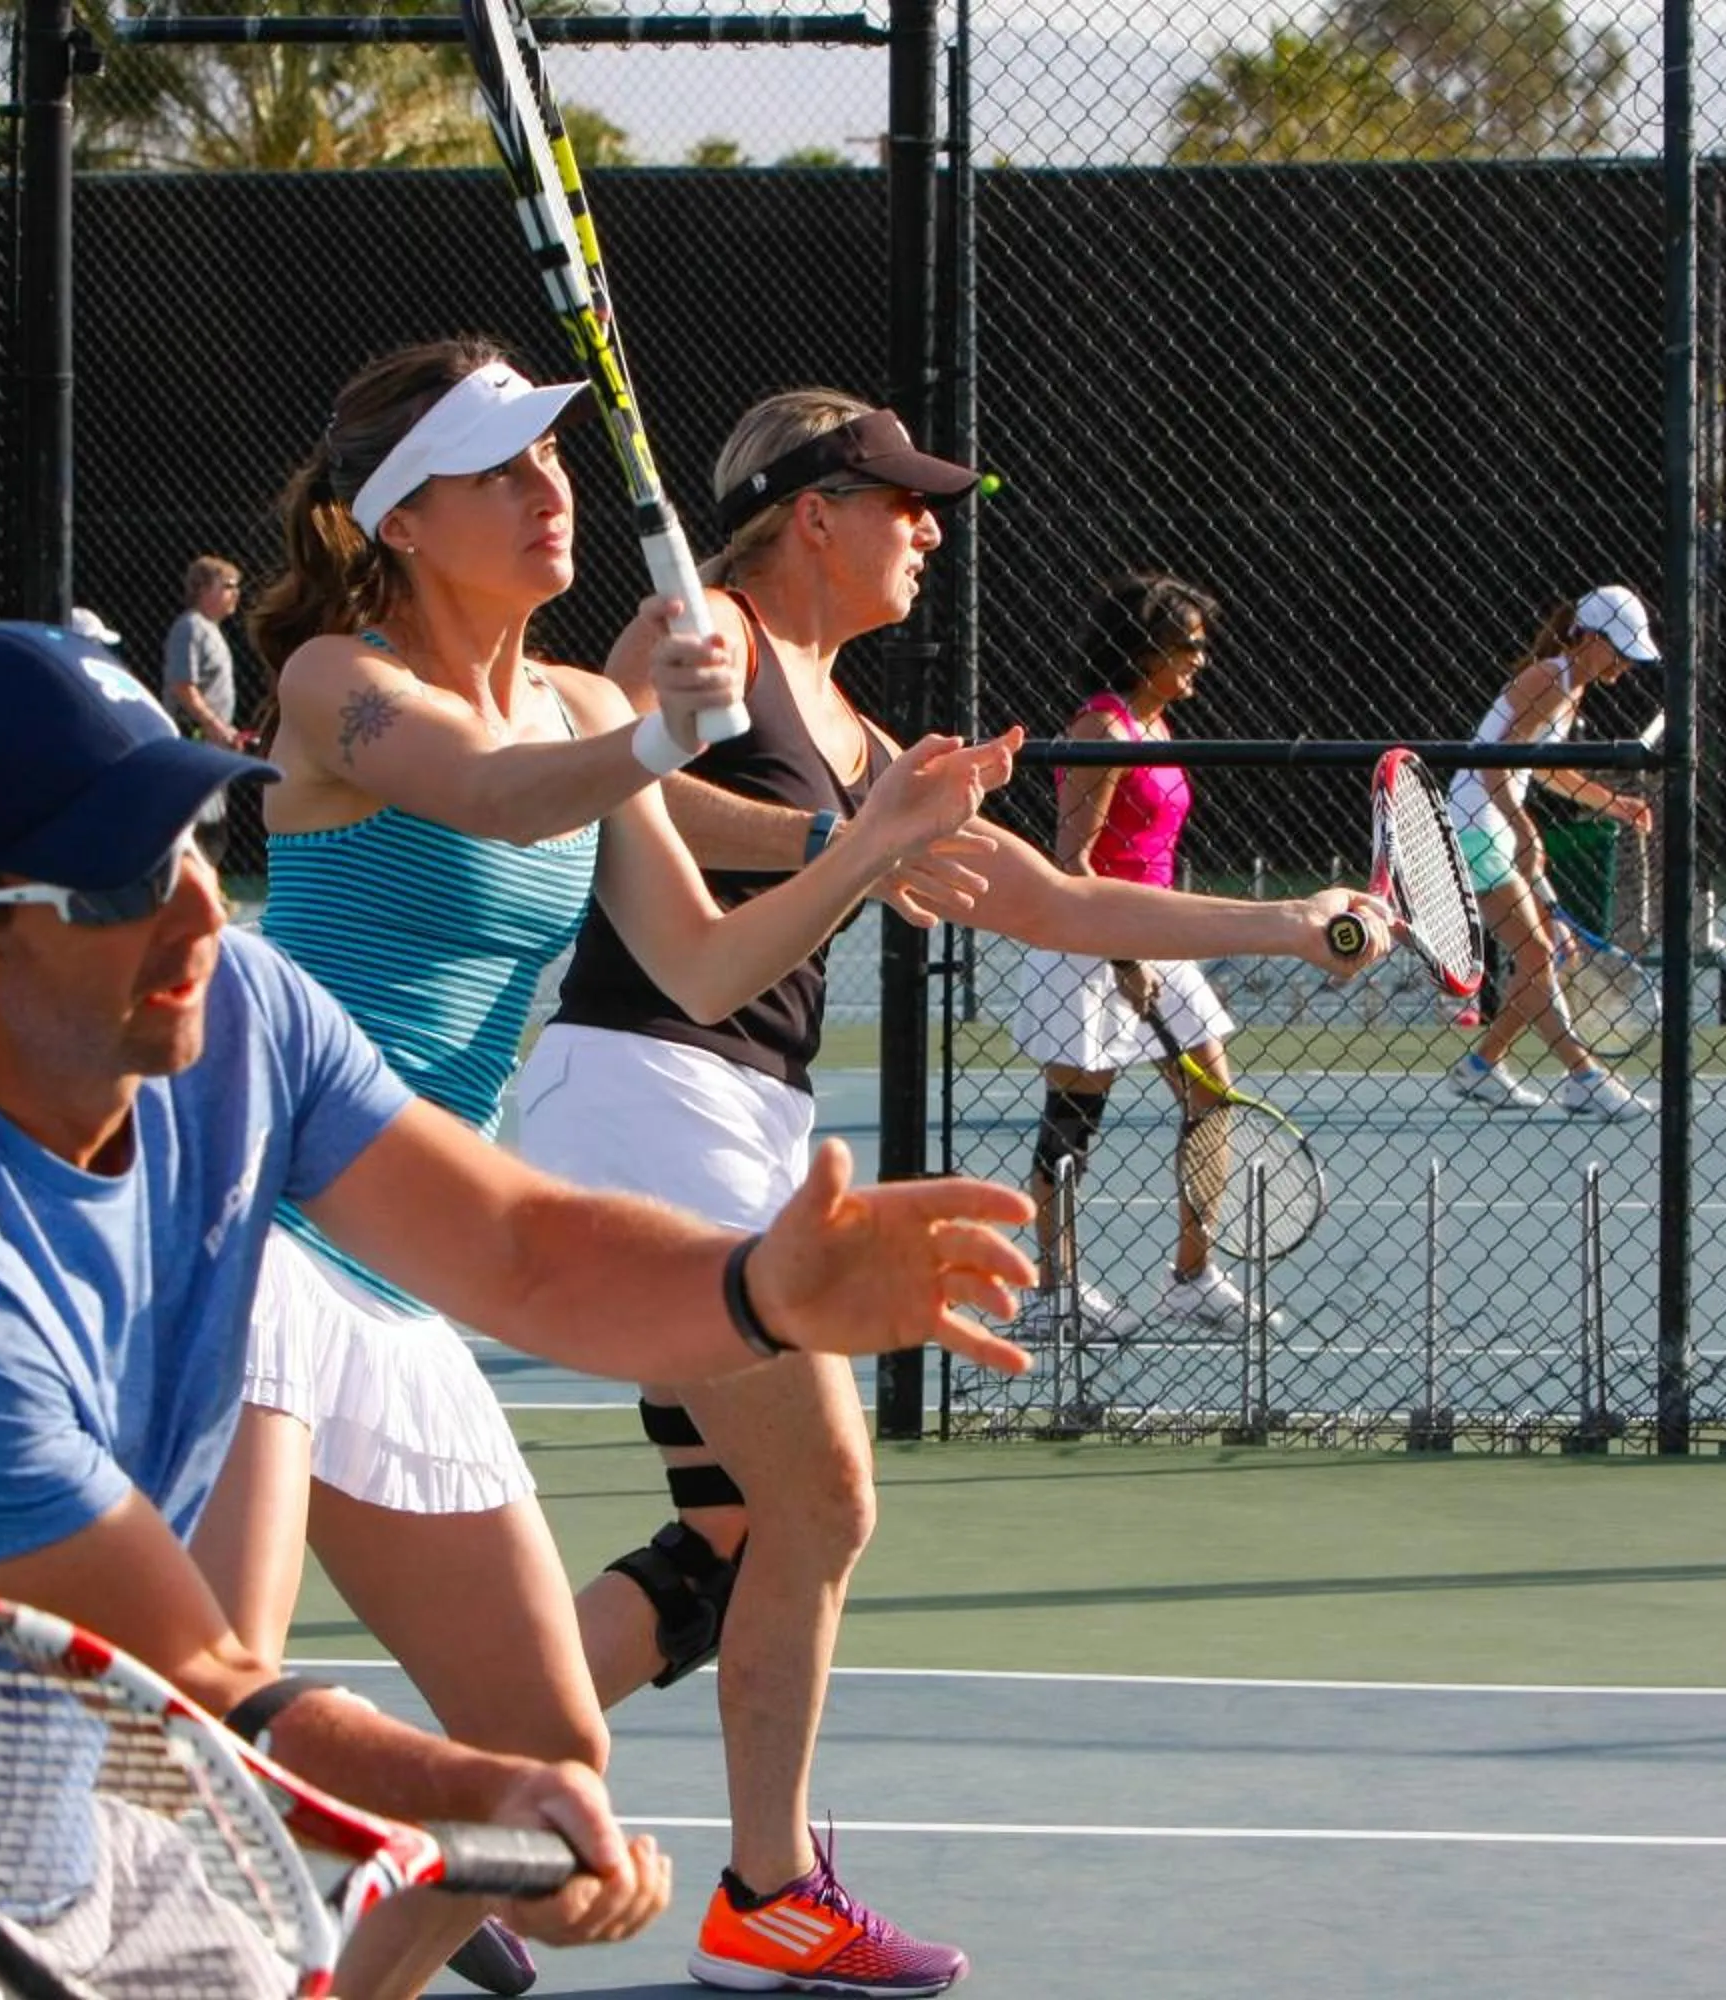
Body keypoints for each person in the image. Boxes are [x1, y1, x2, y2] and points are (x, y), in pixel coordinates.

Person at [0, 616, 1041, 2000]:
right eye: (112, 883)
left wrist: (762, 1288)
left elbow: (518, 1246)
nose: (195, 911)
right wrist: (483, 1797)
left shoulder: (243, 1016)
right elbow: (199, 1673)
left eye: (197, 840)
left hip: (66, 1791)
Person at [512, 389, 1396, 1995]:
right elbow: (618, 790)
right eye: (900, 500)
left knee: (732, 1537)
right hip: (652, 1090)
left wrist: (1285, 922)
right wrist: (828, 824)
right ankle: (768, 1896)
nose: (928, 527)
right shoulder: (698, 638)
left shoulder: (856, 734)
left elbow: (1054, 903)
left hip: (737, 1117)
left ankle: (480, 1819)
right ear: (812, 516)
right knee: (827, 1502)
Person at [185, 339, 1012, 2000]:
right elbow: (490, 797)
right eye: (497, 469)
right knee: (218, 1713)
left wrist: (863, 849)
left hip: (403, 1270)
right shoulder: (338, 685)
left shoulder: (576, 704)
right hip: (253, 1236)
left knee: (546, 1776)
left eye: (551, 457)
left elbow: (703, 963)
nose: (546, 488)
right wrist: (657, 733)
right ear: (401, 520)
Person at [1004, 571, 1262, 1335]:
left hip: (1157, 935)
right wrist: (1122, 957)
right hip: (1086, 942)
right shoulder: (1102, 732)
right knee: (1073, 1122)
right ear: (1144, 649)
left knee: (1212, 1096)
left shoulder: (1156, 727)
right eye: (1187, 645)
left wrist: (1149, 947)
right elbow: (1073, 860)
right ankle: (1054, 1293)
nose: (1200, 659)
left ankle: (1192, 1276)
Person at [1443, 585, 1661, 1120]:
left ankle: (1482, 1067)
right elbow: (1494, 764)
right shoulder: (1549, 679)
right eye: (1619, 651)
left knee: (1544, 955)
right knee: (1539, 954)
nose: (1624, 666)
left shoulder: (1568, 686)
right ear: (1589, 637)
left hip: (1489, 823)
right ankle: (1585, 1077)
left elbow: (1544, 769)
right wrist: (1523, 829)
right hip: (1476, 824)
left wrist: (1613, 803)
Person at [164, 555, 253, 862]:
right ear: (202, 589)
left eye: (236, 586)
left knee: (212, 828)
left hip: (211, 743)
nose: (235, 593)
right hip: (193, 742)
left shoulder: (210, 630)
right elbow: (183, 687)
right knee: (197, 829)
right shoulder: (190, 627)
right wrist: (214, 726)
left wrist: (225, 731)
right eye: (227, 586)